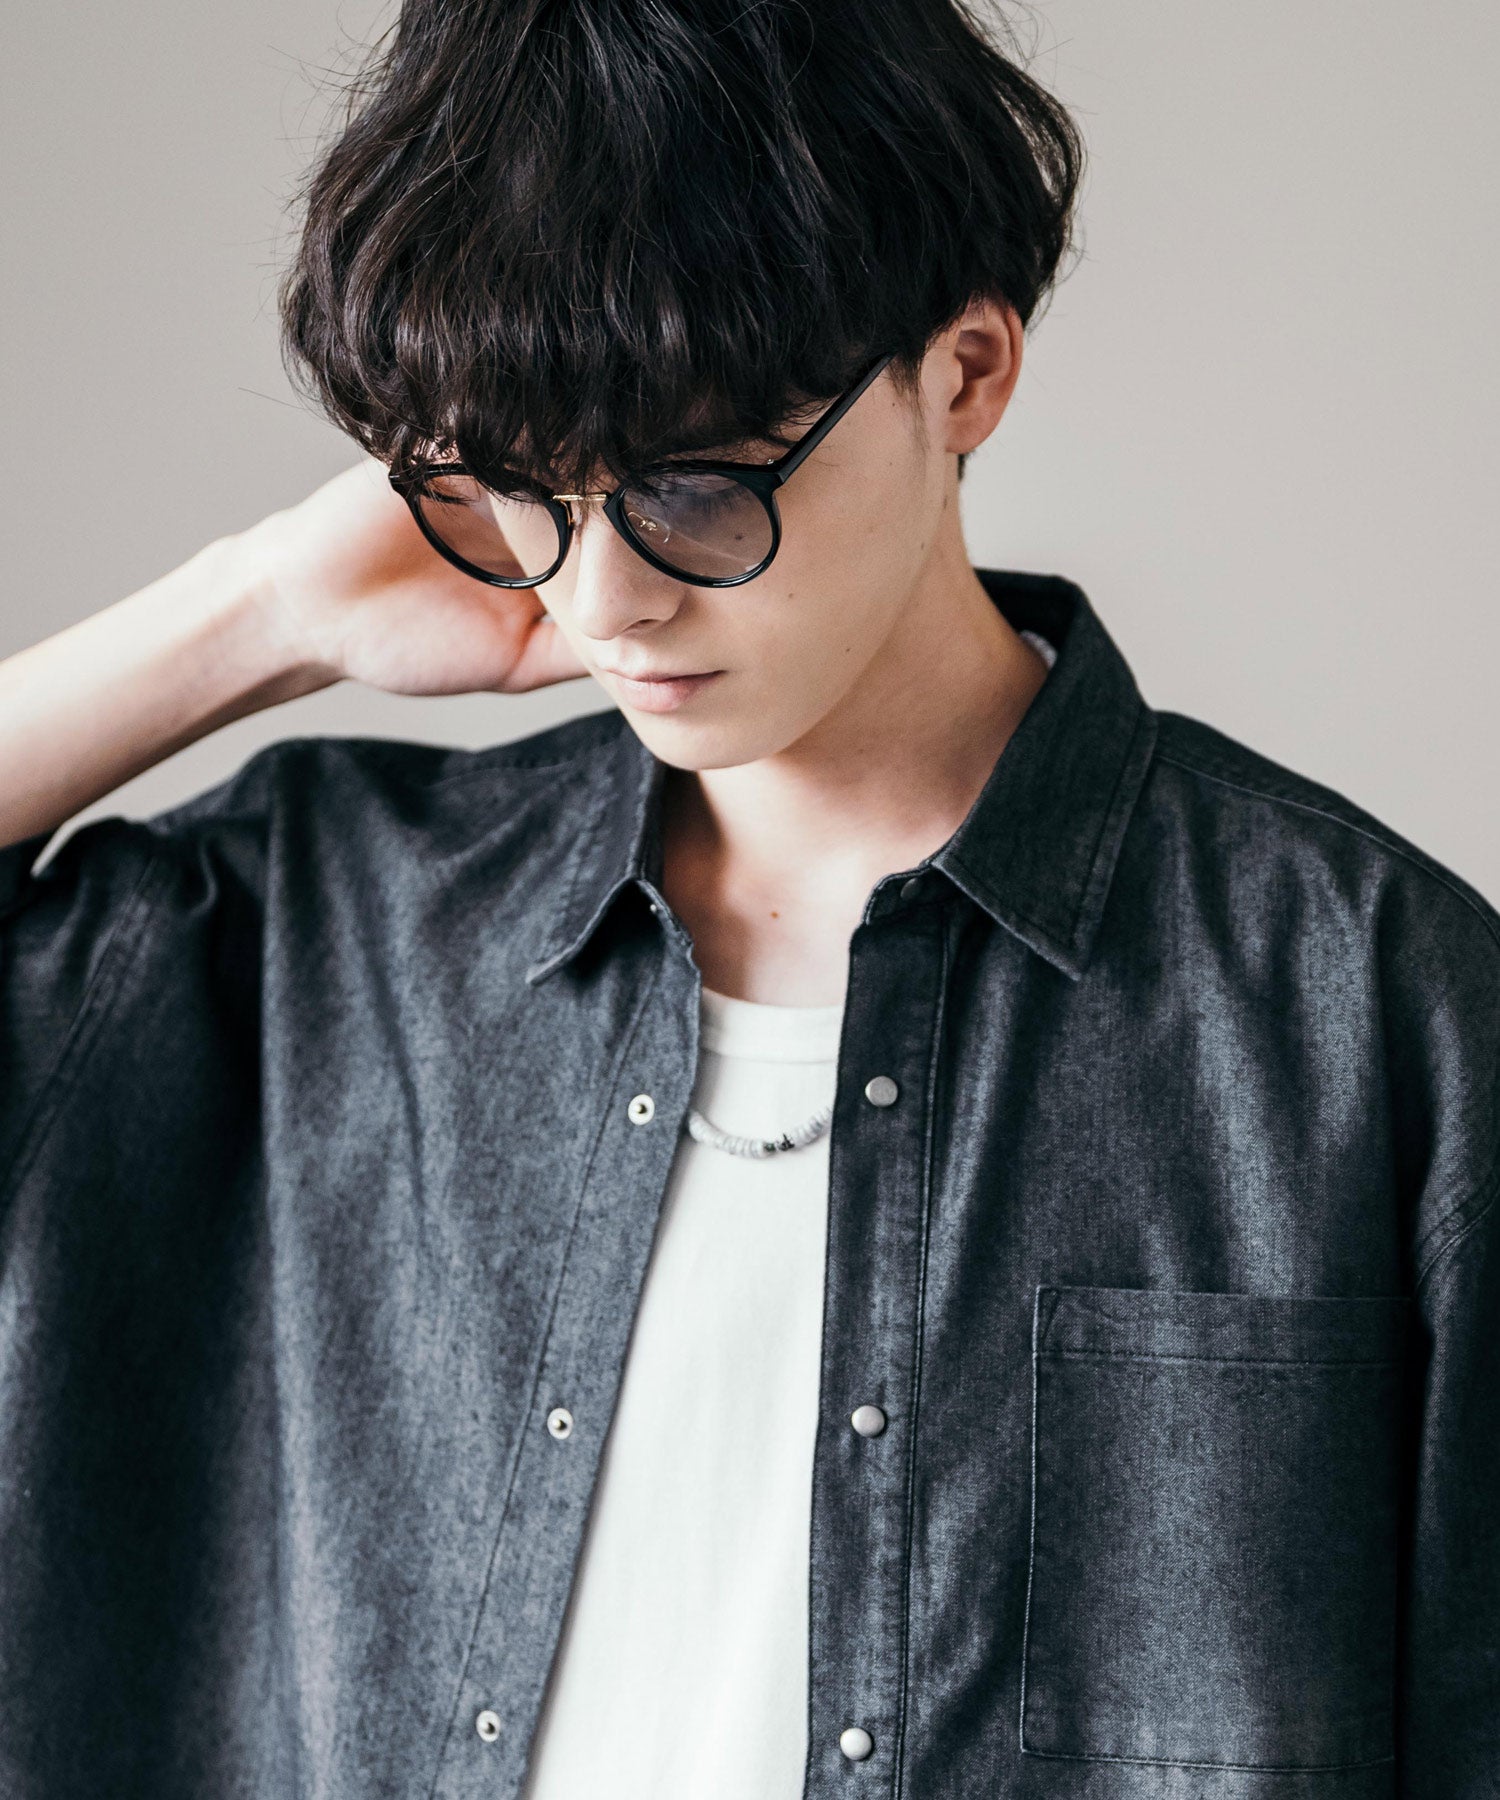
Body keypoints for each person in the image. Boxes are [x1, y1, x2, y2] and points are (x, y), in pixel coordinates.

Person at [1, 1, 1495, 1795]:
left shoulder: (1376, 1010)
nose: (601, 600)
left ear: (966, 374)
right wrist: (254, 612)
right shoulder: (326, 934)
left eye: (694, 491)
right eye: (517, 494)